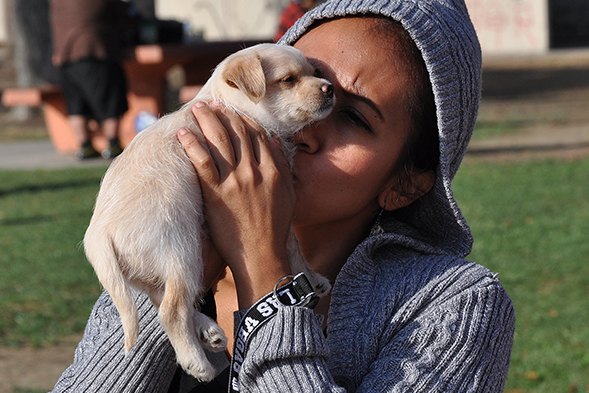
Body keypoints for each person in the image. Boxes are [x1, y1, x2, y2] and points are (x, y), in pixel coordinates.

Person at [52, 0, 516, 391]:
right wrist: (180, 292)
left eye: (353, 119)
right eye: (288, 85)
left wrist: (265, 268)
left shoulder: (453, 305)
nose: (306, 128)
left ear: (406, 183)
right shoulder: (158, 249)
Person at [50, 0, 129, 160]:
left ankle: (85, 146)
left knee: (76, 105)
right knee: (110, 100)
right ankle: (113, 145)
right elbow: (123, 16)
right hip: (94, 51)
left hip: (65, 57)